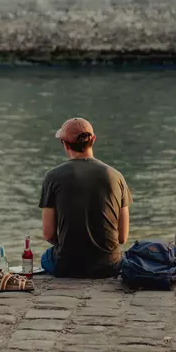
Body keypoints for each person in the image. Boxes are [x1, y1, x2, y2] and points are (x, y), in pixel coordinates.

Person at [39, 117, 132, 278]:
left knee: (45, 258)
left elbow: (48, 234)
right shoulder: (116, 176)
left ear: (64, 143)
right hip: (109, 267)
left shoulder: (52, 177)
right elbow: (122, 236)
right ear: (93, 139)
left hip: (67, 267)